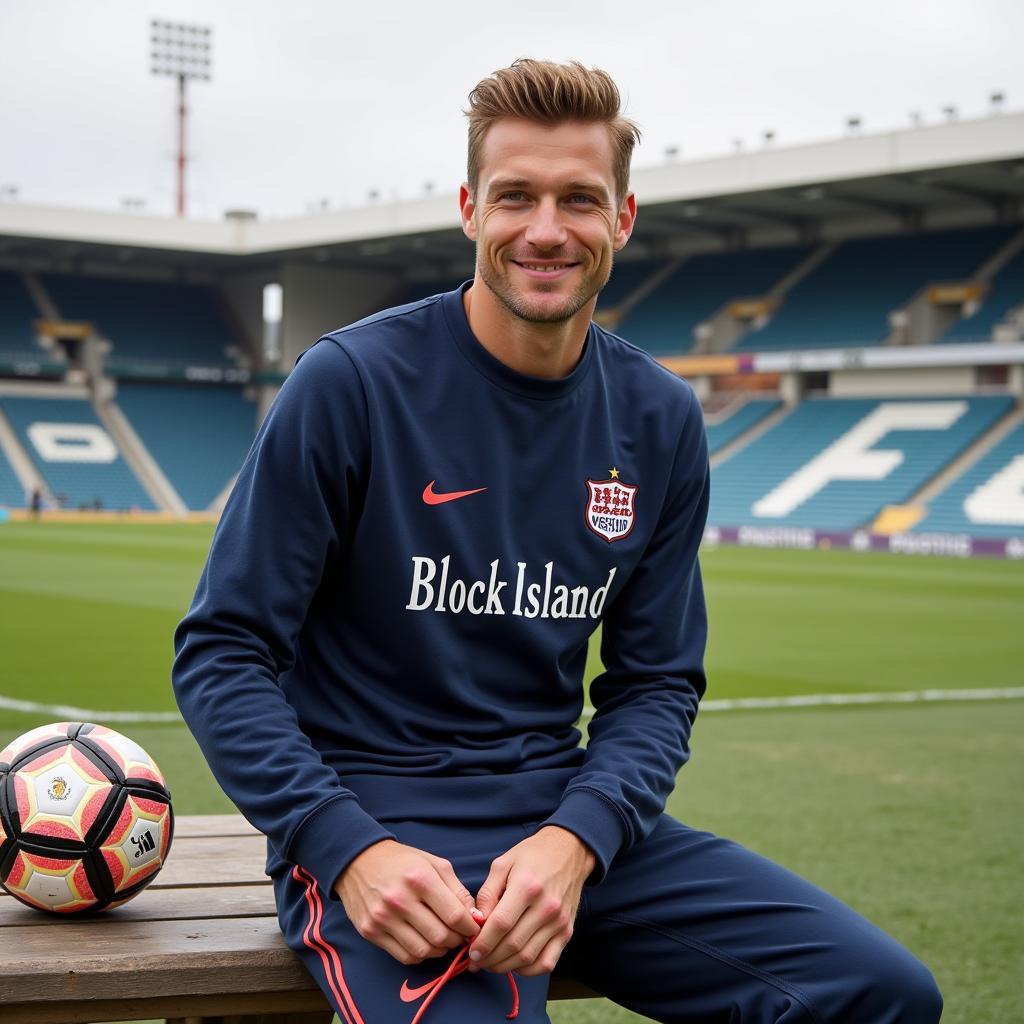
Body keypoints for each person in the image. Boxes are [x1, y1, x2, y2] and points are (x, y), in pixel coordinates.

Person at [172, 59, 942, 1023]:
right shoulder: (351, 384)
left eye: (579, 199)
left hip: (564, 828)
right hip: (384, 836)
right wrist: (344, 848)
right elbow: (222, 652)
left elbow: (656, 681)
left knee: (879, 995)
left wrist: (576, 840)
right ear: (469, 209)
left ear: (621, 219)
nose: (546, 229)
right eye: (515, 197)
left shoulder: (658, 415)